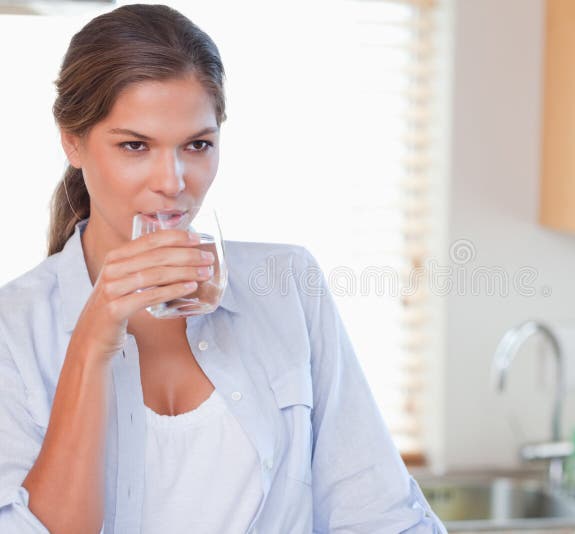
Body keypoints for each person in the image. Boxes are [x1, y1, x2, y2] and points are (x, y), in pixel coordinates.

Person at [0, 4, 446, 533]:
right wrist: (94, 336)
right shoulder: (15, 327)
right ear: (72, 141)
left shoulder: (286, 283)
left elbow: (378, 512)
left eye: (197, 145)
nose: (173, 181)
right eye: (135, 146)